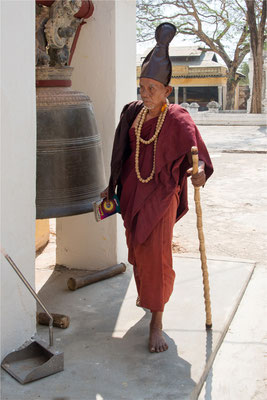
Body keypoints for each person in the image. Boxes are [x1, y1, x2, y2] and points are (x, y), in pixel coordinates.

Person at [101, 23, 213, 353]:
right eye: (142, 87)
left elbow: (198, 157)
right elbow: (121, 152)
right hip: (133, 194)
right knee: (137, 252)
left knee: (158, 257)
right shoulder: (133, 113)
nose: (145, 94)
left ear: (167, 90)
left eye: (152, 88)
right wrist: (112, 188)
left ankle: (157, 320)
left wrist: (200, 173)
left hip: (161, 197)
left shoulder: (179, 119)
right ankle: (147, 296)